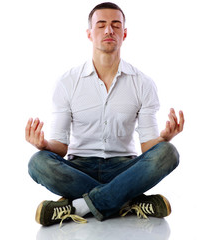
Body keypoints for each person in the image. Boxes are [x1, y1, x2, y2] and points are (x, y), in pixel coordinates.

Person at [25, 2, 184, 227]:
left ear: (124, 34)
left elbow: (149, 149)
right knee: (38, 162)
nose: (109, 30)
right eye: (101, 25)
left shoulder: (143, 83)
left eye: (115, 25)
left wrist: (165, 138)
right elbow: (60, 148)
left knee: (168, 153)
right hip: (79, 167)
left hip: (125, 168)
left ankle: (75, 207)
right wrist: (43, 145)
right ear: (90, 34)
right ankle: (129, 199)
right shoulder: (67, 82)